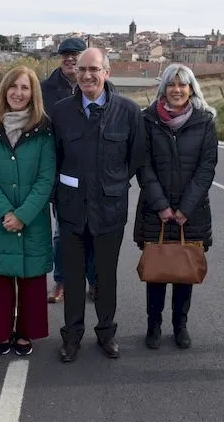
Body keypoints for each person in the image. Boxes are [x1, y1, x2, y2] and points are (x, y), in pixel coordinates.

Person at [51, 47, 146, 362]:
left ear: (107, 72)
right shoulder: (61, 112)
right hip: (71, 209)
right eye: (82, 70)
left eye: (94, 69)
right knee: (74, 278)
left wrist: (111, 184)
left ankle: (106, 333)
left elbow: (134, 159)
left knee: (106, 278)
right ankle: (72, 336)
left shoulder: (128, 112)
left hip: (109, 209)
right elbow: (54, 159)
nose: (87, 75)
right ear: (75, 73)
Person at [134, 64, 218, 350]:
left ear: (191, 88)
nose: (177, 90)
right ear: (164, 88)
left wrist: (185, 208)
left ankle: (180, 325)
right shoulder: (147, 120)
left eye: (183, 85)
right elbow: (143, 166)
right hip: (155, 211)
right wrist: (161, 206)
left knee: (185, 270)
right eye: (172, 84)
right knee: (157, 270)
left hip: (191, 213)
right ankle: (153, 325)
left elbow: (207, 168)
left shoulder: (205, 121)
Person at [0, 66, 55, 356]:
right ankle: (0, 332)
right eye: (13, 87)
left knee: (31, 279)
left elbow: (46, 177)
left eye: (25, 88)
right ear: (4, 89)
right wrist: (6, 211)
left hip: (31, 218)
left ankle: (26, 333)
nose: (18, 93)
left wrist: (23, 214)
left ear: (33, 94)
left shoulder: (43, 129)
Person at [41, 37, 97, 303]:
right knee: (61, 233)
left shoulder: (100, 87)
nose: (70, 58)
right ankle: (61, 282)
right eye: (65, 54)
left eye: (75, 54)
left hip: (93, 175)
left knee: (94, 232)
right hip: (59, 173)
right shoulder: (45, 90)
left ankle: (94, 282)